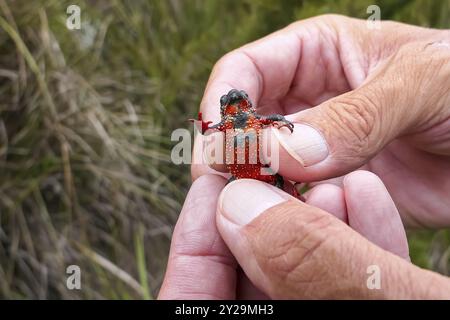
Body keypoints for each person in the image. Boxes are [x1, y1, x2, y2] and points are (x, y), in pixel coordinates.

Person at [159, 15, 450, 299]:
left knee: (281, 181)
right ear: (227, 109)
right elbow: (212, 129)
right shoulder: (226, 125)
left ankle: (292, 200)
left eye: (238, 101)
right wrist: (203, 126)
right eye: (230, 102)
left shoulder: (254, 121)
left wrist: (285, 124)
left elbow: (271, 119)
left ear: (246, 104)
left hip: (266, 172)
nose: (234, 103)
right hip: (240, 176)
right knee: (233, 191)